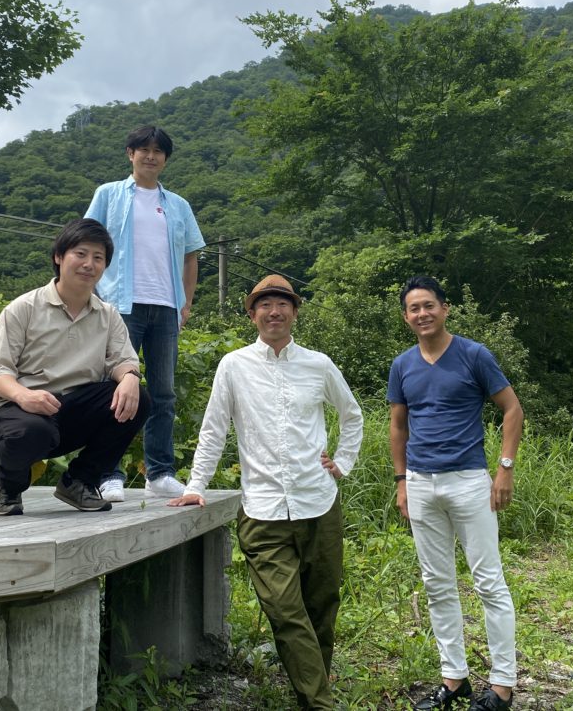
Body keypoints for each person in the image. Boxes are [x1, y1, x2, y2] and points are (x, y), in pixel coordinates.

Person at [169, 275, 364, 710]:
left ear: (294, 312)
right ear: (252, 313)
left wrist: (343, 463)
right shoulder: (234, 366)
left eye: (282, 304)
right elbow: (214, 429)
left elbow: (352, 416)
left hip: (319, 503)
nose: (274, 311)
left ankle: (311, 690)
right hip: (262, 510)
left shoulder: (318, 364)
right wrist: (195, 486)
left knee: (321, 607)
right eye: (264, 305)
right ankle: (321, 703)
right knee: (285, 611)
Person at [388, 276, 523, 711]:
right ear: (407, 316)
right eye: (414, 308)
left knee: (488, 581)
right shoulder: (402, 365)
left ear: (445, 309)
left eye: (429, 305)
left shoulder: (473, 355)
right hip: (421, 484)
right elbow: (398, 426)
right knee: (437, 584)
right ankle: (454, 678)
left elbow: (512, 408)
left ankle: (502, 686)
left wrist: (504, 469)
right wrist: (401, 480)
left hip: (468, 480)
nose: (422, 313)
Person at [0, 218, 149, 516]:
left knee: (138, 398)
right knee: (30, 431)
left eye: (98, 258)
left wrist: (130, 377)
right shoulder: (23, 309)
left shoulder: (106, 315)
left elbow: (122, 360)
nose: (89, 264)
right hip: (13, 411)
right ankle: (8, 484)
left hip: (68, 411)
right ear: (59, 256)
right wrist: (24, 397)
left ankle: (79, 481)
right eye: (80, 254)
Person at [85, 124, 206, 501]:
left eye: (158, 151)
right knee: (113, 389)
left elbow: (191, 256)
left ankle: (160, 473)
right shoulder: (108, 195)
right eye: (143, 149)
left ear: (165, 159)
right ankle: (107, 473)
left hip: (166, 308)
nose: (150, 156)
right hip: (120, 305)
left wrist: (185, 302)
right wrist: (92, 295)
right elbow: (87, 239)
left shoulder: (178, 205)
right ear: (130, 154)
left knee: (164, 394)